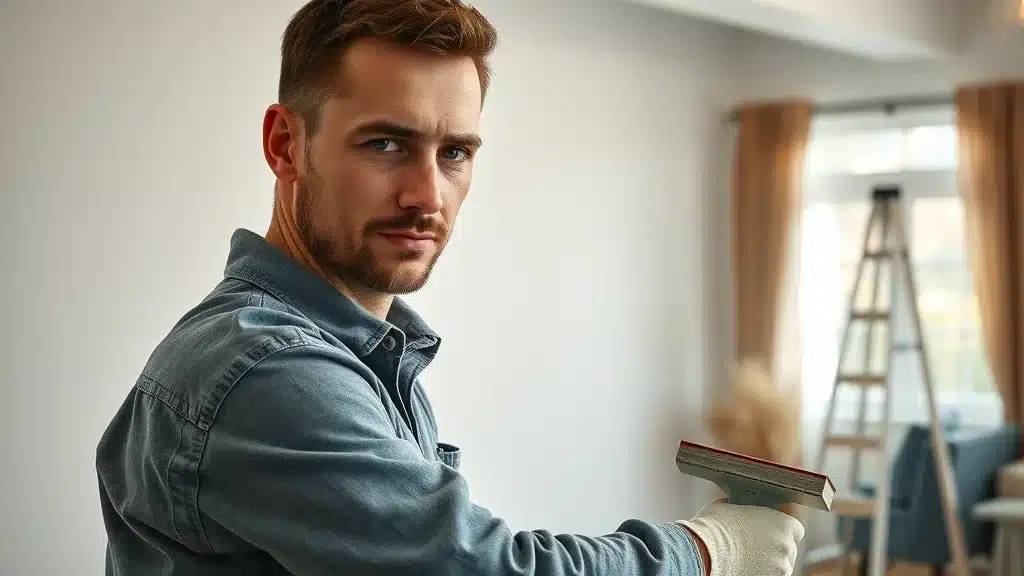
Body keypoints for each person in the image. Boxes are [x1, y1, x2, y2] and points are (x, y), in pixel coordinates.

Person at [95, 1, 805, 574]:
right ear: (286, 144)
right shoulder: (268, 370)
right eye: (385, 144)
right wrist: (709, 550)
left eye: (455, 152)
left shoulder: (365, 353)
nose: (426, 195)